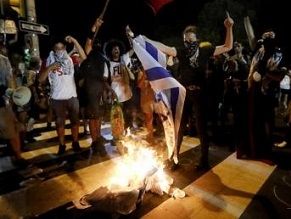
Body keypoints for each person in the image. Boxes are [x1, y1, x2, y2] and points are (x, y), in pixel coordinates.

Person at [142, 12, 234, 170]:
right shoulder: (182, 52)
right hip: (184, 94)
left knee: (201, 128)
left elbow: (227, 47)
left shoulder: (205, 51)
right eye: (186, 41)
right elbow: (164, 48)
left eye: (191, 40)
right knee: (179, 127)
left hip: (200, 94)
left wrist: (229, 28)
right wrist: (146, 40)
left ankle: (204, 161)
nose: (188, 43)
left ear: (196, 40)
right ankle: (174, 160)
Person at [38, 36, 85, 155]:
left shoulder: (70, 59)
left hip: (72, 96)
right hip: (57, 98)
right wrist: (50, 67)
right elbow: (40, 79)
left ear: (65, 47)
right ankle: (62, 145)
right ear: (53, 49)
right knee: (60, 124)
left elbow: (84, 57)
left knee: (75, 122)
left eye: (62, 47)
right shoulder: (47, 60)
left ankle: (75, 142)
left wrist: (75, 40)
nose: (60, 50)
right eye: (57, 48)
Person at [77, 17, 108, 156]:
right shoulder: (89, 54)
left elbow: (105, 77)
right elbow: (89, 41)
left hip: (99, 92)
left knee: (99, 117)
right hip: (90, 92)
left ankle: (98, 138)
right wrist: (95, 26)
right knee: (92, 118)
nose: (96, 44)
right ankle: (94, 141)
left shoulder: (103, 57)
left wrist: (107, 91)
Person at [103, 35, 135, 144]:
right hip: (115, 96)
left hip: (127, 94)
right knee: (116, 118)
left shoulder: (124, 58)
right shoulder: (107, 63)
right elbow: (104, 80)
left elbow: (134, 48)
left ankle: (128, 134)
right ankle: (116, 136)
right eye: (113, 49)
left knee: (128, 116)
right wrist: (110, 92)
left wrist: (129, 36)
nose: (116, 50)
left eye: (117, 48)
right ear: (110, 51)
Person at [0, 43, 28, 167]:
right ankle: (18, 156)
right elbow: (10, 83)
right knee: (12, 130)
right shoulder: (4, 61)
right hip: (2, 101)